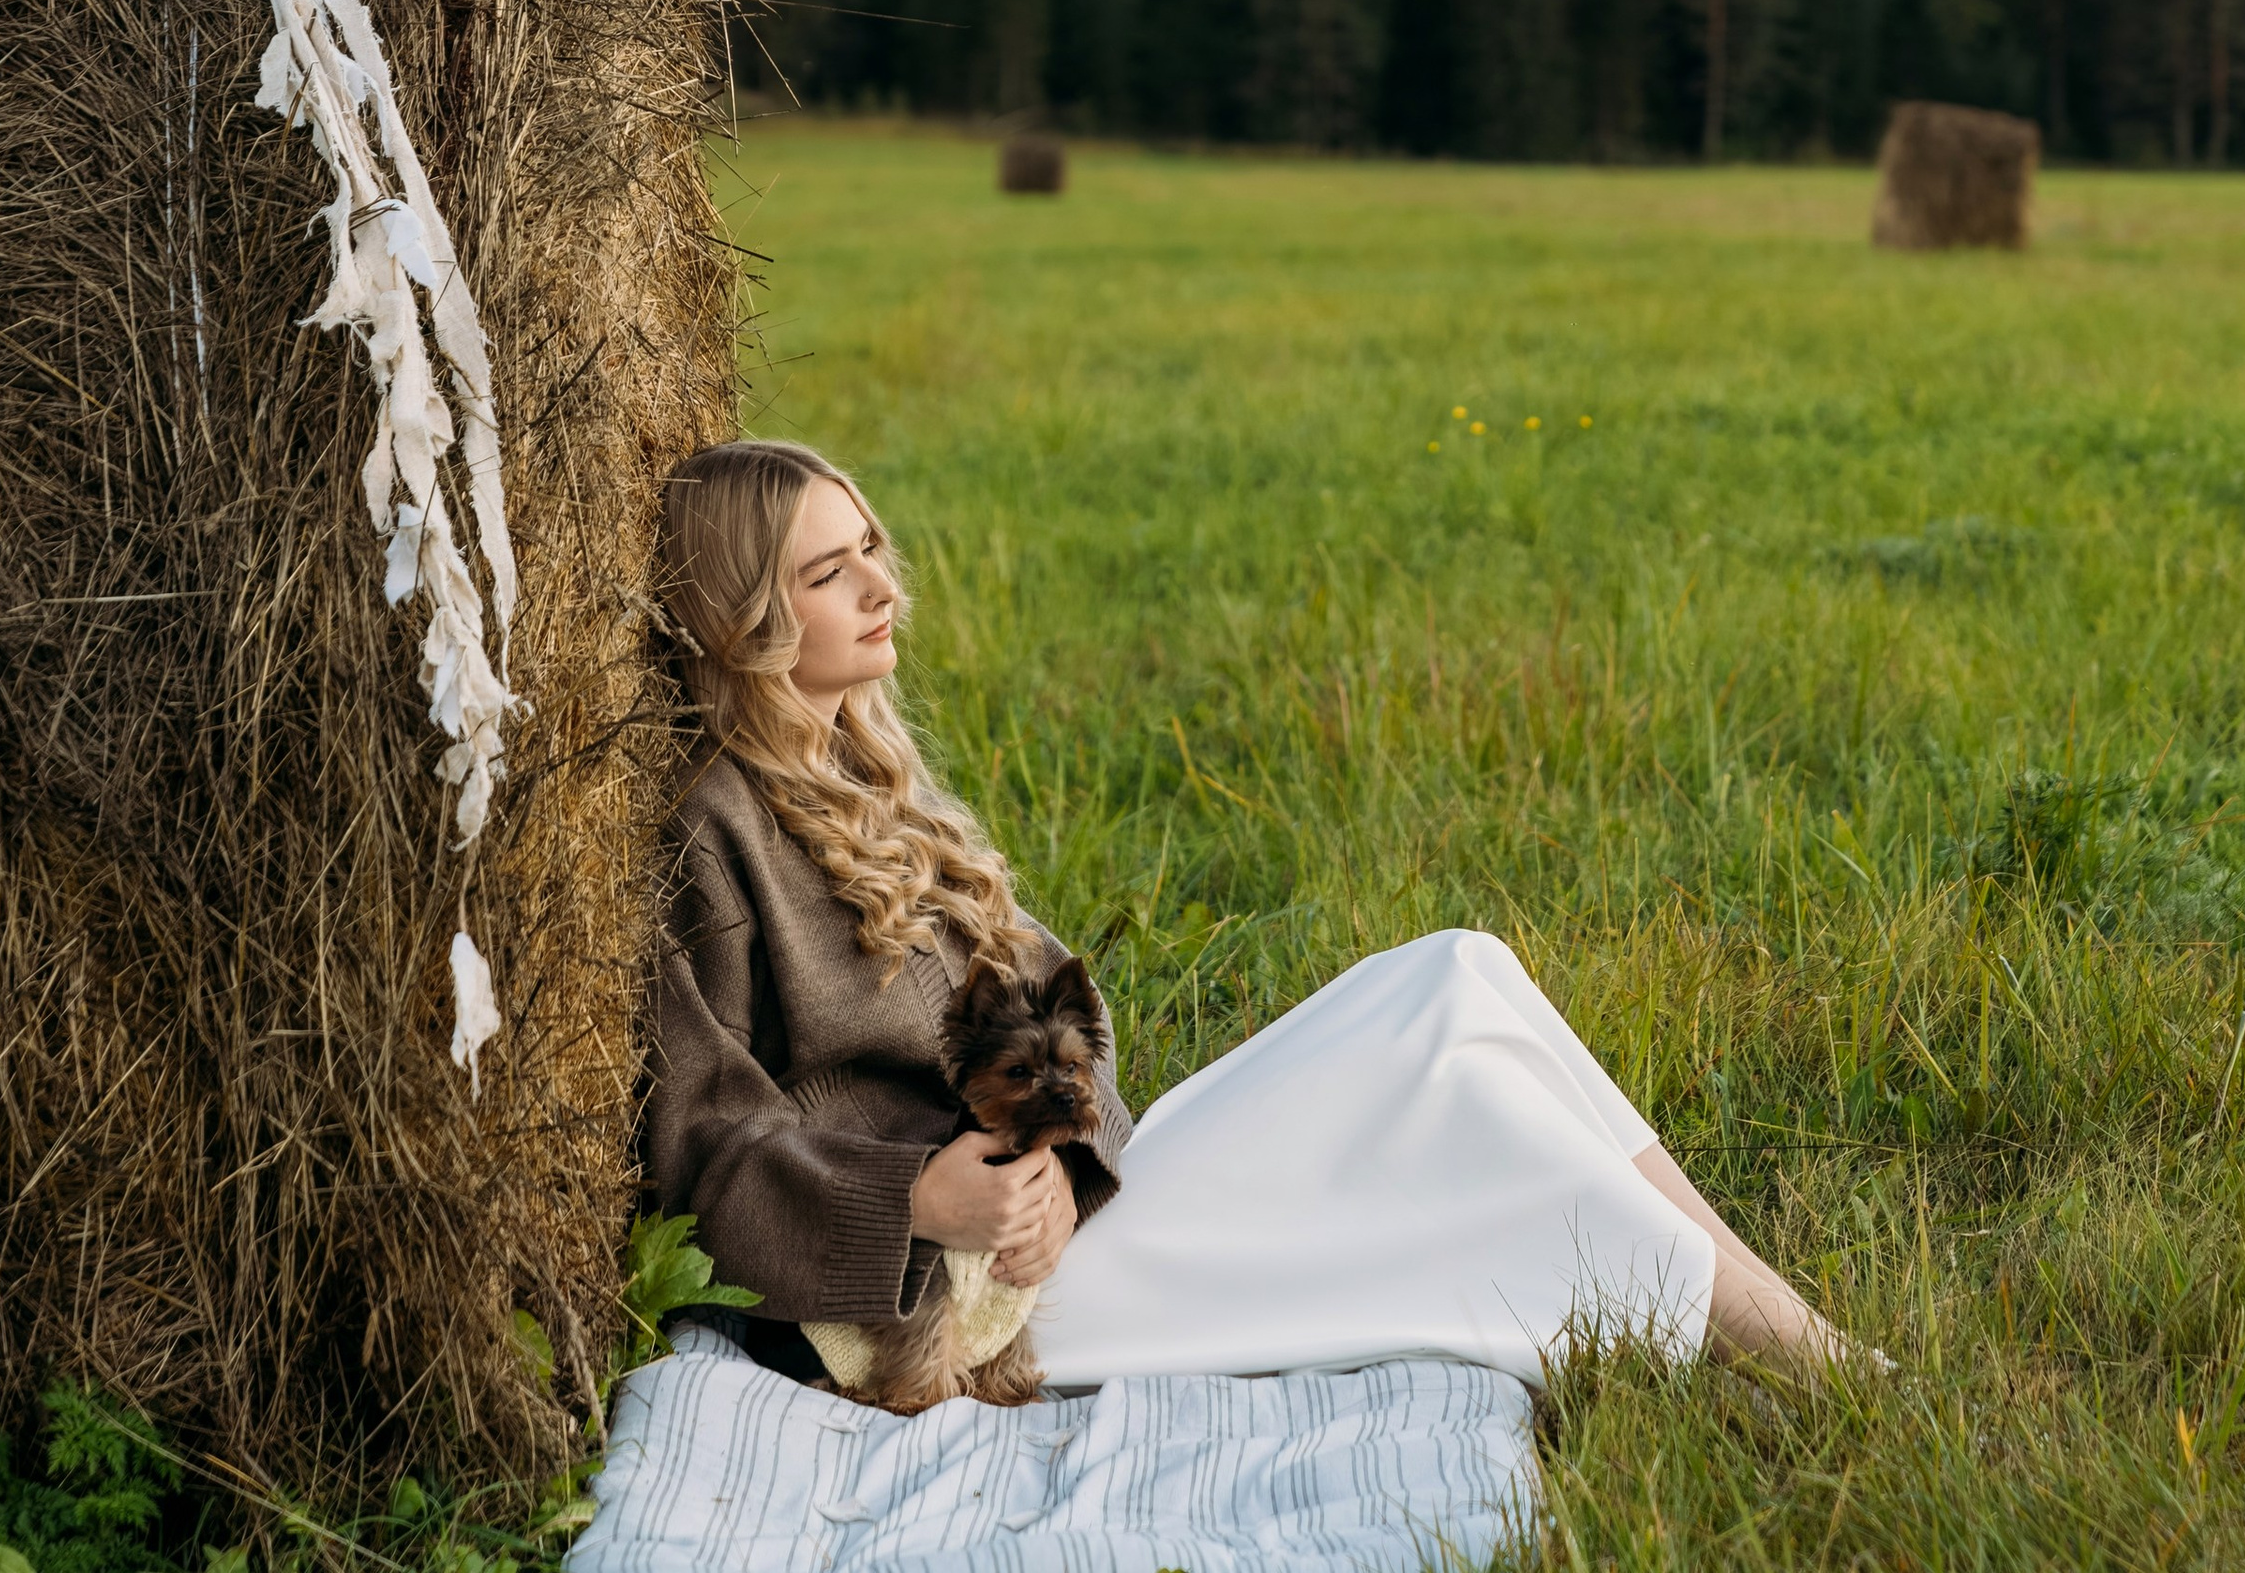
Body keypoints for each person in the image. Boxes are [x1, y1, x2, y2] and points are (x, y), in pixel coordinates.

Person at [644, 438, 1849, 1393]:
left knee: (1458, 971)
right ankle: (1811, 1363)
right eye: (826, 572)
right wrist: (913, 1200)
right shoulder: (714, 832)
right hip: (949, 1301)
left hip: (1055, 1226)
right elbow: (700, 1140)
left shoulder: (867, 769)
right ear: (739, 613)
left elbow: (1058, 999)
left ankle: (1786, 1327)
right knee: (1452, 1088)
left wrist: (1077, 1160)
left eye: (870, 546)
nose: (881, 584)